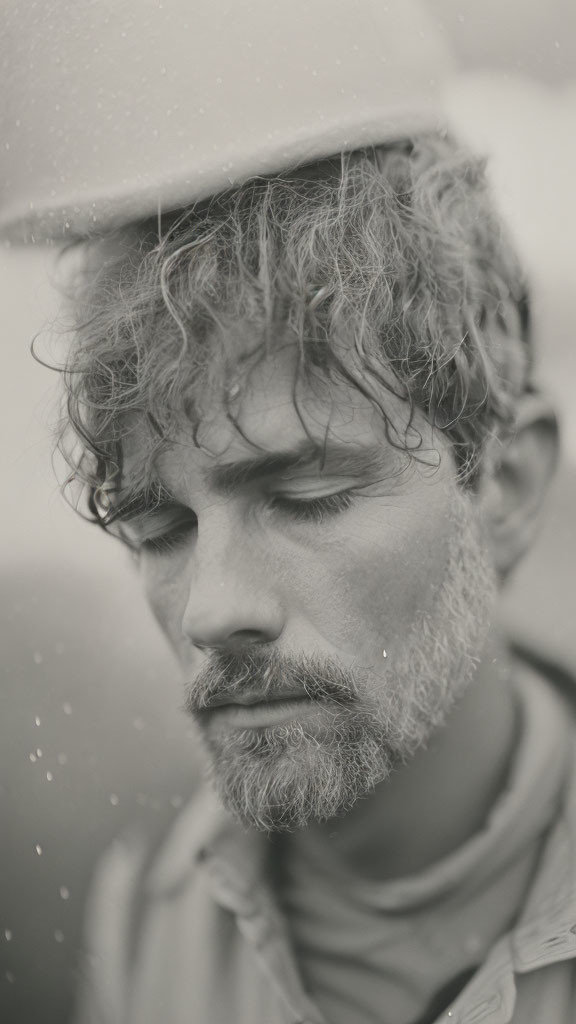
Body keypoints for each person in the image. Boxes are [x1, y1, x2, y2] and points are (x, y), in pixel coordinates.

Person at [2, 3, 575, 1023]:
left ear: (508, 486)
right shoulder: (148, 923)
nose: (210, 610)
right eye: (158, 529)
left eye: (305, 498)